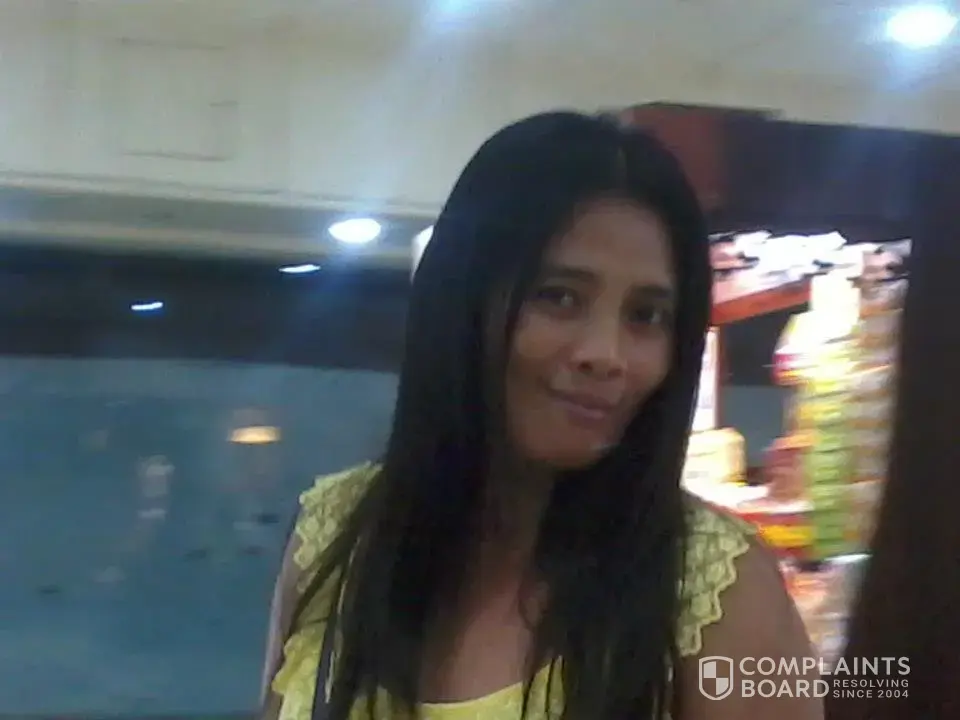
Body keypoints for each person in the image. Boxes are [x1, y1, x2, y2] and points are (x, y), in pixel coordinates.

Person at [260, 112, 820, 720]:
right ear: (464, 302)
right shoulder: (337, 537)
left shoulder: (719, 589)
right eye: (559, 297)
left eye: (646, 315)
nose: (605, 354)